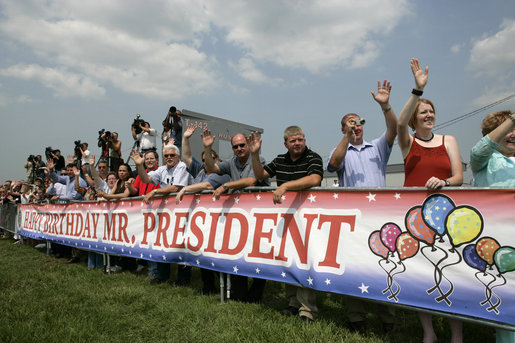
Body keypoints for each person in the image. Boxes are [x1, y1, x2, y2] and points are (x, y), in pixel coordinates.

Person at [398, 58, 463, 343]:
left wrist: (445, 182)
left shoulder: (449, 140)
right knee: (422, 277)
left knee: (453, 276)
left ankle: (457, 334)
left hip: (447, 218)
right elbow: (399, 122)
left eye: (431, 111)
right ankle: (429, 334)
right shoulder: (407, 142)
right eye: (423, 112)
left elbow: (459, 176)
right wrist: (417, 89)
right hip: (416, 219)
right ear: (415, 118)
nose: (428, 115)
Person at [327, 80, 397, 332]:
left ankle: (388, 318)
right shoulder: (340, 150)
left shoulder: (377, 147)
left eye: (359, 123)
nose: (356, 127)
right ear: (343, 128)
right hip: (354, 220)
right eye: (350, 124)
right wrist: (346, 138)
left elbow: (393, 129)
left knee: (383, 267)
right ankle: (356, 318)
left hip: (380, 218)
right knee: (355, 267)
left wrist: (385, 105)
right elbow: (334, 164)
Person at [248, 125, 323, 322]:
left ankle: (307, 310)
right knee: (288, 260)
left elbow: (315, 178)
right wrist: (255, 155)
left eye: (301, 139)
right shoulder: (280, 159)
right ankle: (293, 303)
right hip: (286, 219)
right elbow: (260, 175)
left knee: (303, 262)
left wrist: (285, 186)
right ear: (286, 144)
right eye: (293, 141)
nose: (298, 143)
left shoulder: (313, 157)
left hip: (308, 220)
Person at [201, 129, 270, 302]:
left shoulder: (258, 158)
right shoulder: (232, 161)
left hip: (259, 215)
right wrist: (208, 149)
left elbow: (252, 181)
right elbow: (211, 168)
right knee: (239, 252)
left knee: (258, 255)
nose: (239, 148)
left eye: (242, 145)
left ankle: (256, 293)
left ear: (248, 145)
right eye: (235, 146)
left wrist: (226, 186)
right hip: (240, 216)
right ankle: (241, 293)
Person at [470, 110, 515, 343]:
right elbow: (478, 151)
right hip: (502, 242)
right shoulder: (485, 161)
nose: (513, 133)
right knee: (509, 301)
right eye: (508, 130)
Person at [130, 144, 191, 284]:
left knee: (180, 244)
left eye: (172, 155)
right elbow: (146, 179)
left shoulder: (182, 166)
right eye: (166, 156)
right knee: (163, 242)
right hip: (166, 212)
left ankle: (183, 279)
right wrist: (139, 165)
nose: (169, 158)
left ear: (178, 156)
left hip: (182, 211)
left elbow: (177, 187)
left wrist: (156, 191)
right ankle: (162, 276)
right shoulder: (162, 169)